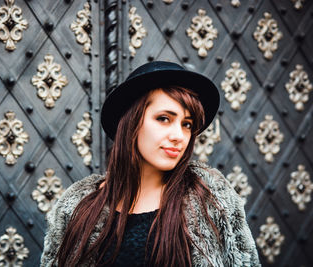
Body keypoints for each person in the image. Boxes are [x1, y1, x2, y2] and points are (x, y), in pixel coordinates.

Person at [40, 61, 260, 267]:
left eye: (187, 124)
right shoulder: (77, 208)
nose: (179, 136)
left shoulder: (212, 200)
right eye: (164, 118)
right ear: (131, 123)